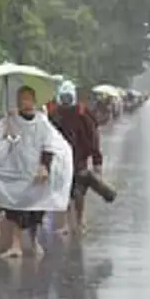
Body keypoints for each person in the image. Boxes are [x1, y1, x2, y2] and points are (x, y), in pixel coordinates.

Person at [0, 86, 73, 259]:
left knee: (36, 207)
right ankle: (16, 245)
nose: (26, 102)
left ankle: (34, 240)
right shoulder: (8, 121)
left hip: (36, 170)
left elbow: (50, 144)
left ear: (34, 101)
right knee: (15, 206)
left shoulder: (42, 122)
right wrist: (6, 134)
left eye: (29, 98)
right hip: (15, 169)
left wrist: (44, 165)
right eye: (22, 99)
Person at [50, 83, 103, 235]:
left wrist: (97, 160)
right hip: (61, 159)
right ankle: (67, 222)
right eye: (63, 98)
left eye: (68, 97)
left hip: (80, 157)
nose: (66, 101)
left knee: (79, 193)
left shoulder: (83, 113)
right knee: (65, 191)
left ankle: (79, 221)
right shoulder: (55, 114)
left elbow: (93, 137)